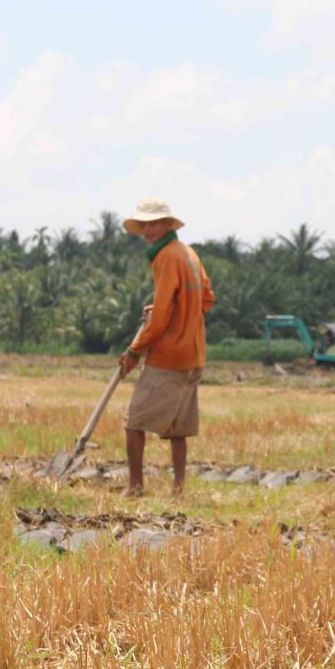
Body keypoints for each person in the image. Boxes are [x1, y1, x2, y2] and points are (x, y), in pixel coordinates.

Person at [118, 199, 216, 495]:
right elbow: (206, 299)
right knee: (177, 428)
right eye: (144, 224)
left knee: (134, 422)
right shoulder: (188, 253)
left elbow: (160, 318)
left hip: (170, 356)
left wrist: (135, 351)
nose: (148, 229)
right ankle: (179, 488)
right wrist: (176, 308)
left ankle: (135, 487)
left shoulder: (166, 258)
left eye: (154, 223)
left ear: (167, 225)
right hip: (194, 353)